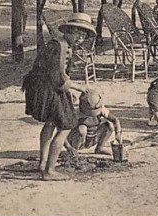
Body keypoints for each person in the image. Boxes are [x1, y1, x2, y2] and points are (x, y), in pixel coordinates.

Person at [22, 14, 91, 179]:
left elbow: (62, 74)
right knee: (66, 126)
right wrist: (79, 88)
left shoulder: (66, 46)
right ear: (68, 31)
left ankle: (42, 163)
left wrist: (69, 90)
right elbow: (56, 77)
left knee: (51, 123)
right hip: (47, 89)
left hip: (48, 88)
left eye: (83, 34)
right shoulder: (57, 47)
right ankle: (49, 171)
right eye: (77, 33)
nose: (80, 37)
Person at [66, 88, 123, 159]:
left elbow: (115, 120)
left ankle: (99, 148)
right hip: (77, 140)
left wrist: (118, 133)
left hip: (92, 137)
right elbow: (61, 132)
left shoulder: (101, 110)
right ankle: (75, 152)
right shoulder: (76, 114)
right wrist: (69, 147)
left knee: (109, 126)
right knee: (82, 128)